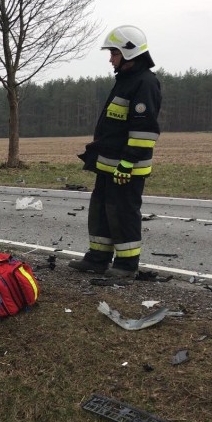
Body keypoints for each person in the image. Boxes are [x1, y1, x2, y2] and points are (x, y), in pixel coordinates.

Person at [69, 25, 162, 279]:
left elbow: (144, 130)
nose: (111, 59)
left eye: (114, 53)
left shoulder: (145, 83)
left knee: (123, 213)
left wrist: (128, 163)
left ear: (129, 53)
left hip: (126, 167)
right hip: (109, 163)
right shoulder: (125, 81)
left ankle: (126, 265)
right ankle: (97, 259)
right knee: (101, 211)